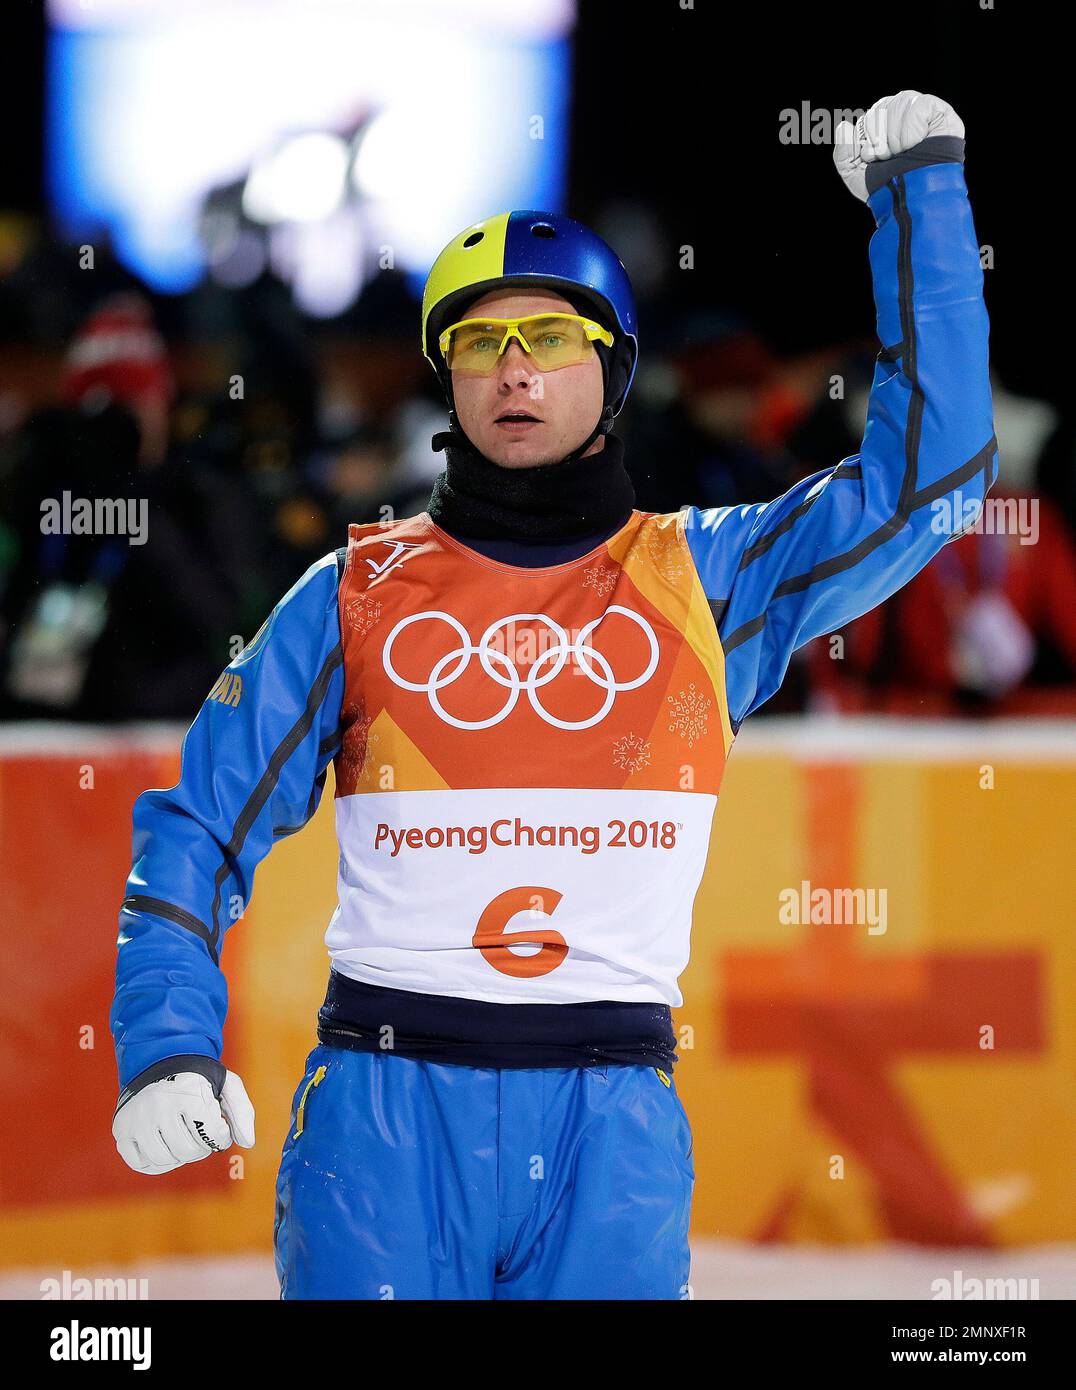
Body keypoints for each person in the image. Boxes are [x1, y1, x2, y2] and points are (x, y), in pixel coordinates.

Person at [111, 92, 998, 1299]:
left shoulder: (709, 579)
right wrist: (163, 1044)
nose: (511, 371)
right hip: (378, 1126)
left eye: (548, 339)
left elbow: (927, 483)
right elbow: (195, 825)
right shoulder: (351, 591)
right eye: (478, 343)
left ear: (612, 368)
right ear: (447, 377)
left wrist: (921, 206)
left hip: (609, 1130)